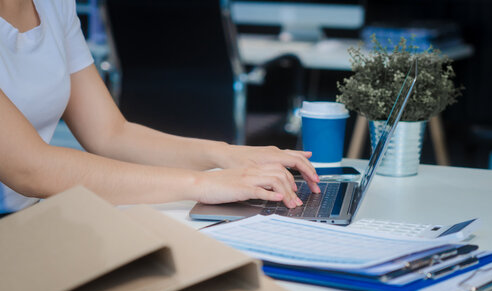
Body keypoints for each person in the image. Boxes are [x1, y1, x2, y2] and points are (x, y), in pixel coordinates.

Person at [0, 0, 320, 216]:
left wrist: (227, 155)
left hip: (29, 220)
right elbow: (31, 167)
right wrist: (203, 183)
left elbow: (111, 133)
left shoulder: (54, 5)